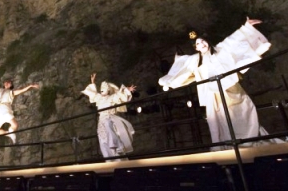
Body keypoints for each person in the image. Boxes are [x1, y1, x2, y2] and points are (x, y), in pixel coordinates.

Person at [159, 17, 283, 150]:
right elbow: (182, 69)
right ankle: (228, 145)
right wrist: (168, 81)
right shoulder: (195, 60)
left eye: (202, 41)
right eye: (198, 44)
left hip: (231, 90)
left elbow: (233, 41)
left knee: (243, 114)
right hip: (214, 96)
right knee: (222, 121)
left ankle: (250, 139)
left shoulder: (220, 50)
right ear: (196, 48)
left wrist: (246, 28)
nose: (201, 45)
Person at [81, 73, 136, 161]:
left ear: (108, 90)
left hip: (109, 118)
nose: (102, 90)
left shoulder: (112, 97)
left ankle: (119, 147)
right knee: (103, 140)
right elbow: (93, 93)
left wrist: (127, 89)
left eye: (104, 89)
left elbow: (120, 95)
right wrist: (93, 82)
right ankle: (109, 160)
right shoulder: (99, 97)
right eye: (101, 89)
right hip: (101, 121)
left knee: (108, 127)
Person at [0, 75, 39, 143]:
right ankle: (9, 134)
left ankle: (11, 132)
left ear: (10, 85)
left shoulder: (11, 92)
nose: (6, 83)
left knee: (15, 125)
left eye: (8, 82)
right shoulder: (1, 90)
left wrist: (30, 86)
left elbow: (21, 90)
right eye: (6, 82)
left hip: (5, 108)